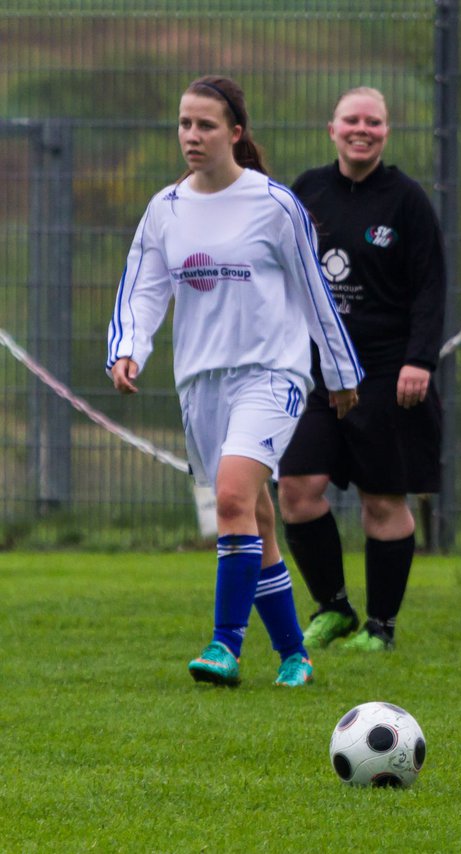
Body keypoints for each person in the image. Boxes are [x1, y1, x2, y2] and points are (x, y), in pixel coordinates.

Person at [106, 75, 364, 688]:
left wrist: (339, 370)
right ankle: (294, 653)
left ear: (236, 133)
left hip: (272, 373)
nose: (191, 136)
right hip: (202, 382)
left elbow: (312, 292)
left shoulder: (274, 205)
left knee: (229, 499)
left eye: (206, 126)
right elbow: (142, 289)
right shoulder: (165, 209)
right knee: (254, 517)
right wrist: (127, 350)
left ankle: (225, 646)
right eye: (184, 124)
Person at [277, 87, 447, 653]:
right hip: (316, 372)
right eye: (352, 119)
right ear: (332, 128)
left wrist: (419, 359)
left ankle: (381, 625)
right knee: (297, 489)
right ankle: (334, 608)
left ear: (386, 132)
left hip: (384, 373)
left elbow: (429, 287)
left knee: (383, 500)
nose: (362, 129)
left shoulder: (407, 201)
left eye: (374, 121)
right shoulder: (306, 191)